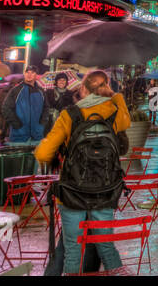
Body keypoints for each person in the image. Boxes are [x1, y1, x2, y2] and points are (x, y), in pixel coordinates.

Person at [34, 70, 130, 275]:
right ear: (106, 88)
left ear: (83, 89)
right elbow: (127, 122)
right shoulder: (113, 112)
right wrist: (115, 96)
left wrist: (51, 144)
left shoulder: (70, 114)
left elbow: (43, 154)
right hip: (105, 190)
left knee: (73, 248)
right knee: (106, 246)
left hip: (72, 192)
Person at [0, 66, 47, 144]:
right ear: (24, 74)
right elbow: (6, 108)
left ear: (36, 75)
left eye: (32, 72)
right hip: (19, 136)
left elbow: (46, 108)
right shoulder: (16, 90)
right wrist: (17, 125)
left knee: (36, 156)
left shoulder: (41, 91)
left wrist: (42, 123)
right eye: (27, 72)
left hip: (37, 136)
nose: (29, 74)